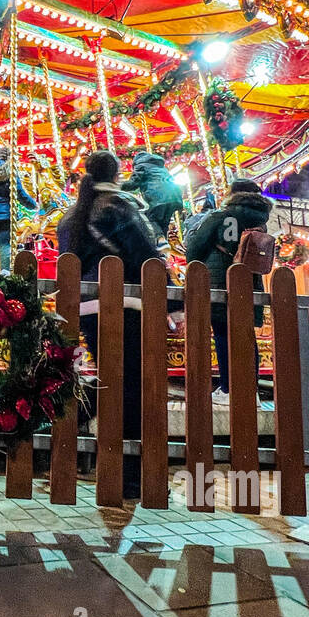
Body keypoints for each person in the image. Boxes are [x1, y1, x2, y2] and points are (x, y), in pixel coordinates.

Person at [57, 151, 160, 499]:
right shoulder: (118, 207)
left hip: (88, 307)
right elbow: (147, 255)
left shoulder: (71, 215)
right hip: (125, 305)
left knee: (109, 377)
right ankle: (128, 475)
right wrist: (173, 301)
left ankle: (70, 419)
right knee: (129, 387)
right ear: (118, 173)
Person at [183, 177, 274, 406]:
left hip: (220, 283)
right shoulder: (261, 221)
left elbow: (194, 247)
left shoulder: (221, 216)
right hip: (249, 284)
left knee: (223, 335)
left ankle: (227, 389)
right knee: (246, 338)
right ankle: (250, 390)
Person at [0, 146, 37, 268]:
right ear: (7, 156)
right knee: (4, 246)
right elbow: (20, 193)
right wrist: (33, 205)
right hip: (4, 214)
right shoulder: (9, 168)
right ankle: (5, 274)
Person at [121, 150, 185, 239]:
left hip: (158, 197)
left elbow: (133, 183)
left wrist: (117, 186)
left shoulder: (141, 166)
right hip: (175, 197)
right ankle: (164, 243)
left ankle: (160, 239)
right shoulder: (161, 168)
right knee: (164, 222)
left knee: (150, 219)